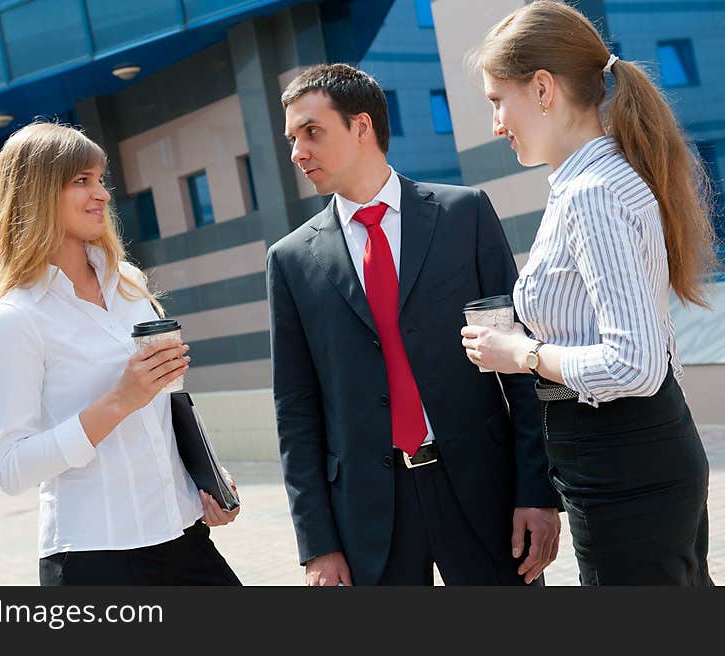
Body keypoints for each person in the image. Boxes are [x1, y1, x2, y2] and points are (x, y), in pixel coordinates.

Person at [266, 63, 560, 586]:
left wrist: (536, 492)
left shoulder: (463, 215)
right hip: (368, 514)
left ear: (361, 127)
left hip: (481, 490)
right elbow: (296, 410)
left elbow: (520, 359)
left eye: (311, 132)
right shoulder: (290, 260)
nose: (297, 153)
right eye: (292, 138)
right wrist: (317, 544)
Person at [462, 1, 715, 586]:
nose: (496, 123)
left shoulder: (590, 193)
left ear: (543, 88)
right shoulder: (595, 180)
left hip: (624, 462)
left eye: (498, 100)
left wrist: (520, 356)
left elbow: (635, 364)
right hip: (630, 453)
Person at [0, 122, 241, 586]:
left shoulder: (130, 285)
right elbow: (11, 468)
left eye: (100, 179)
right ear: (36, 194)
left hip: (183, 535)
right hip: (95, 559)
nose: (101, 194)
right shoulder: (17, 318)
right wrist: (119, 400)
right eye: (81, 181)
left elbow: (167, 403)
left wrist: (207, 476)